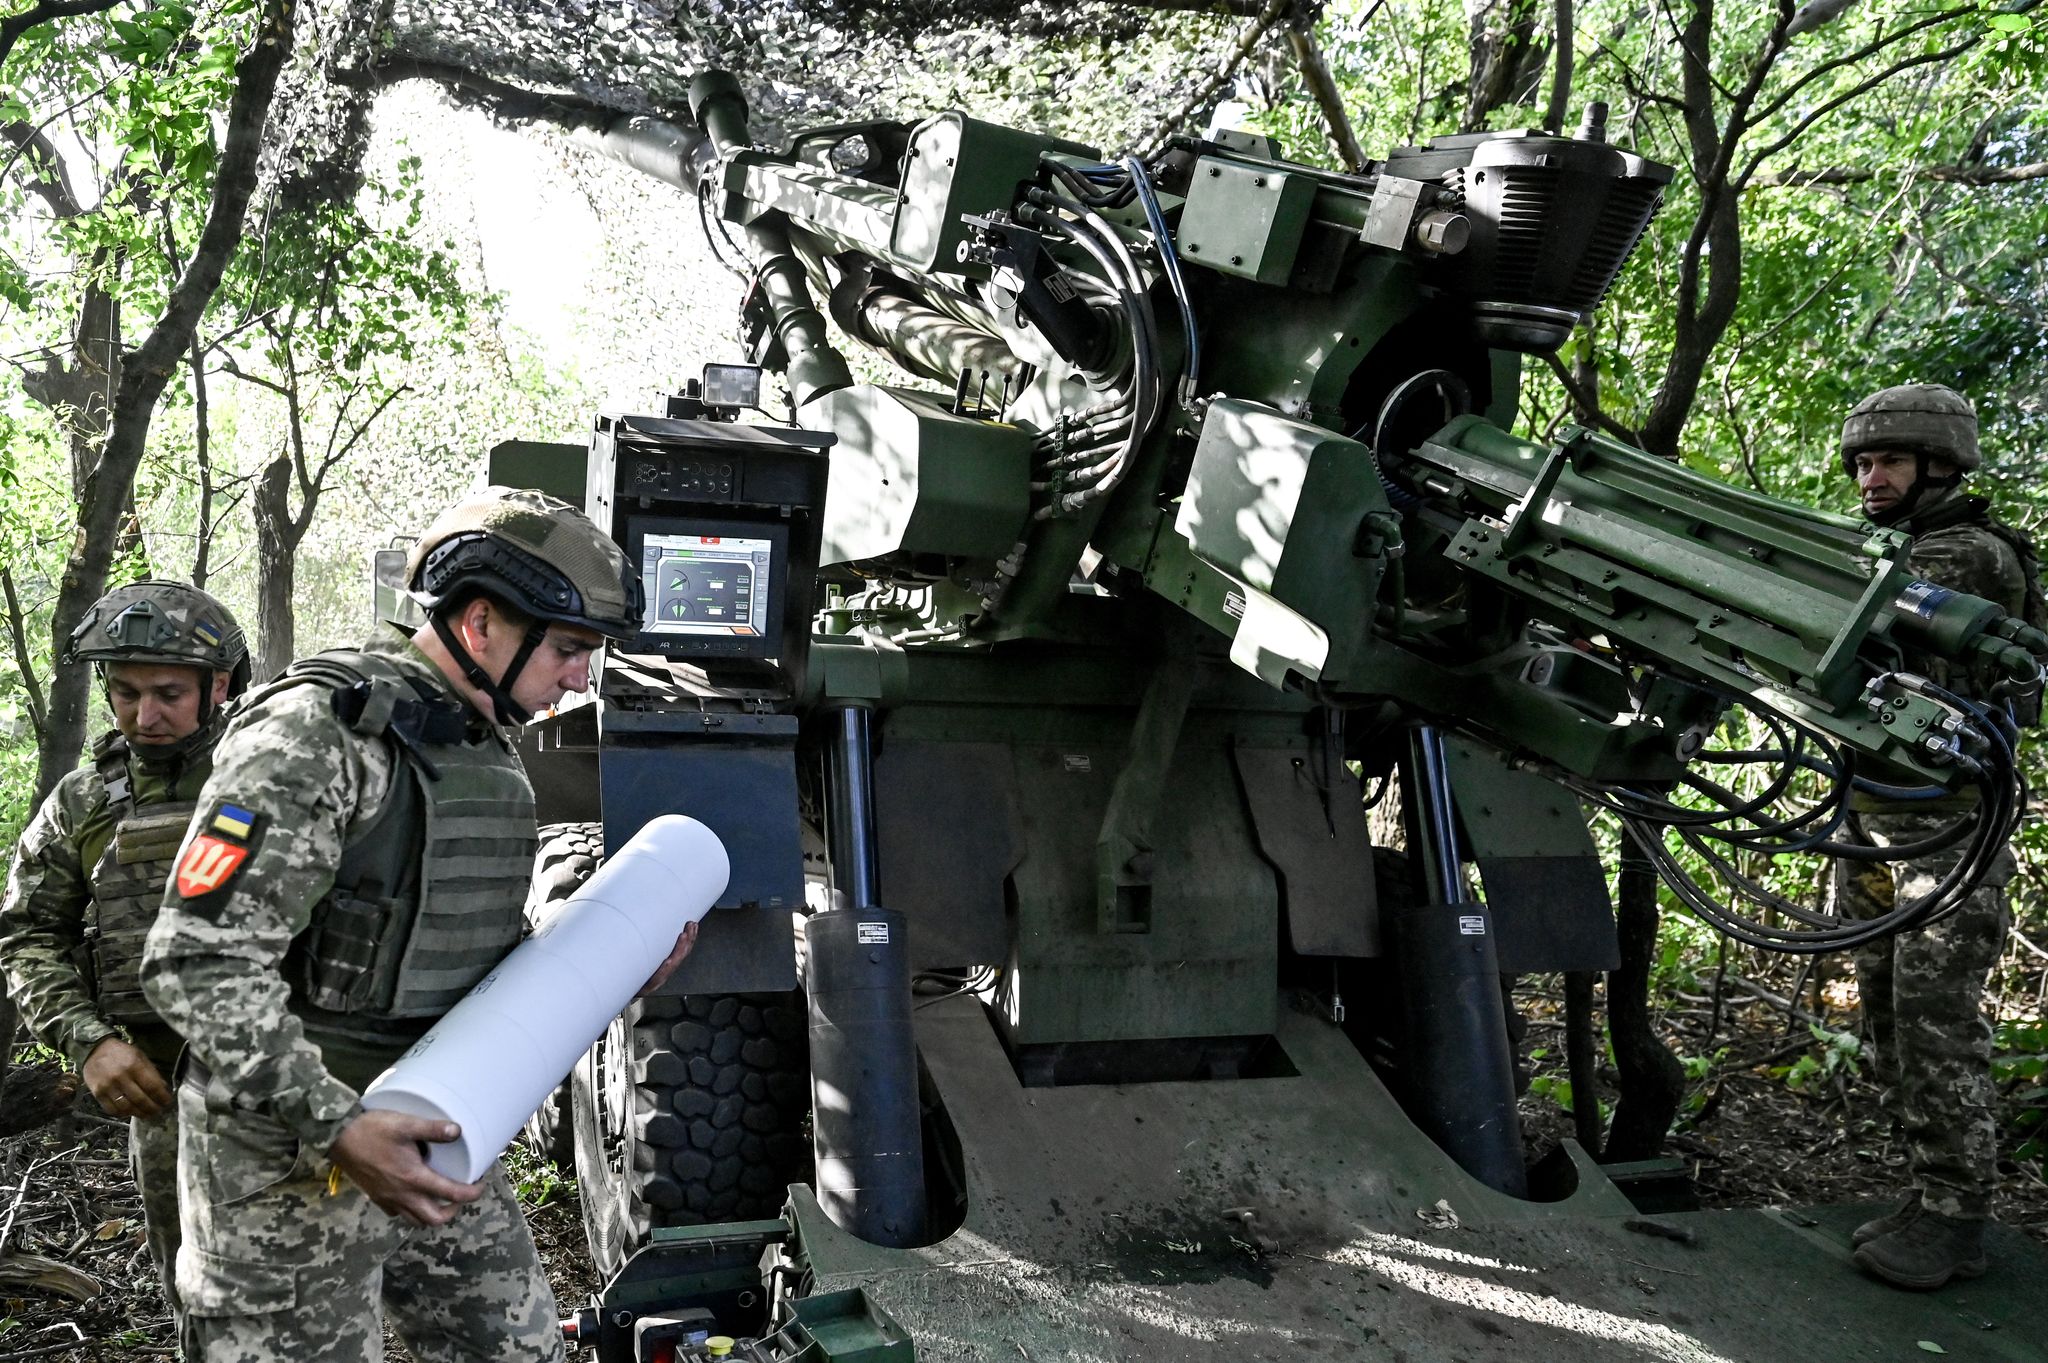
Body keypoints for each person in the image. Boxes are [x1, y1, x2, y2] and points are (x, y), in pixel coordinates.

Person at [140, 487, 695, 1361]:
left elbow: (440, 943)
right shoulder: (318, 735)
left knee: (517, 1348)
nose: (581, 676)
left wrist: (610, 961)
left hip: (434, 1118)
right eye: (568, 649)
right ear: (481, 626)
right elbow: (192, 961)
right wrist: (339, 1125)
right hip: (284, 1155)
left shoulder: (478, 742)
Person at [1834, 383, 2041, 1290]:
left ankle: (1956, 1217)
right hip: (1880, 821)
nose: (1871, 478)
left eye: (1889, 462)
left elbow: (1851, 616)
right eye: (1864, 464)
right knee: (1884, 1014)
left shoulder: (1969, 556)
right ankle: (1927, 1194)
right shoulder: (1902, 547)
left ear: (1942, 468)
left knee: (1936, 1025)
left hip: (1947, 833)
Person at [0, 580, 250, 1329]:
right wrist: (91, 1042)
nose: (146, 715)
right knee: (198, 1303)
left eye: (170, 692)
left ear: (222, 684)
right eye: (126, 691)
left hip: (296, 1086)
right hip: (163, 1090)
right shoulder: (83, 803)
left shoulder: (278, 774)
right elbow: (25, 933)